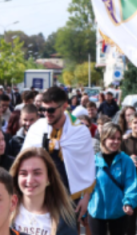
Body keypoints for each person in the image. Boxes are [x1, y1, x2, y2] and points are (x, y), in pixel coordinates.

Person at [22, 86, 95, 219]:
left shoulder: (80, 131)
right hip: (41, 196)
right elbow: (23, 163)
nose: (46, 114)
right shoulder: (36, 128)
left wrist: (86, 197)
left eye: (51, 110)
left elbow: (88, 167)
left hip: (70, 198)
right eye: (43, 110)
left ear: (64, 106)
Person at [88, 123, 137, 235]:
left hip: (119, 212)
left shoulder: (126, 160)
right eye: (112, 138)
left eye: (118, 138)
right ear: (103, 139)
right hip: (96, 211)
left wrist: (129, 202)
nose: (116, 141)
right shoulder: (92, 160)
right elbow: (85, 187)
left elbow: (131, 184)